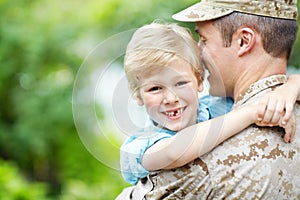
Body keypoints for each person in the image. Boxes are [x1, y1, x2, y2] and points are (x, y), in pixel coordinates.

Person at [122, 0, 300, 199]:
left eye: (204, 40)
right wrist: (289, 88)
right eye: (155, 88)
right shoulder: (147, 144)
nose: (198, 52)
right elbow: (173, 151)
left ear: (243, 41)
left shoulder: (196, 169)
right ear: (138, 95)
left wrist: (286, 91)